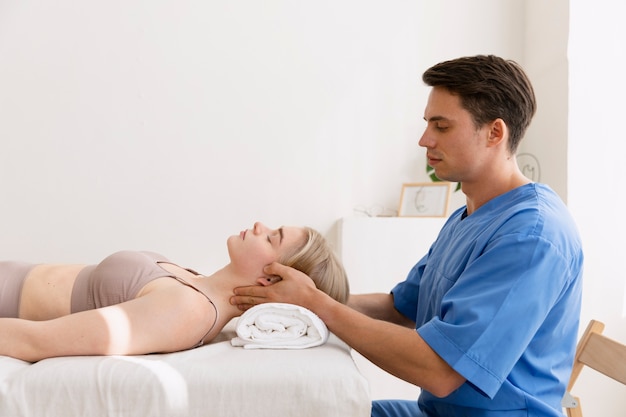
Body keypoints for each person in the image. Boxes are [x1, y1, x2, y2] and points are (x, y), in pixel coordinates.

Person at [230, 55, 584, 417]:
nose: (424, 139)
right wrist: (304, 292)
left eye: (441, 127)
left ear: (495, 132)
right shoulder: (468, 217)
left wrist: (318, 305)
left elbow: (441, 371)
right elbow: (400, 309)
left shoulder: (531, 236)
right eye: (427, 124)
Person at [0, 221, 349, 362]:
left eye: (272, 237)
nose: (260, 226)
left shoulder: (188, 311)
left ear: (272, 280)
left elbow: (37, 341)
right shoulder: (197, 285)